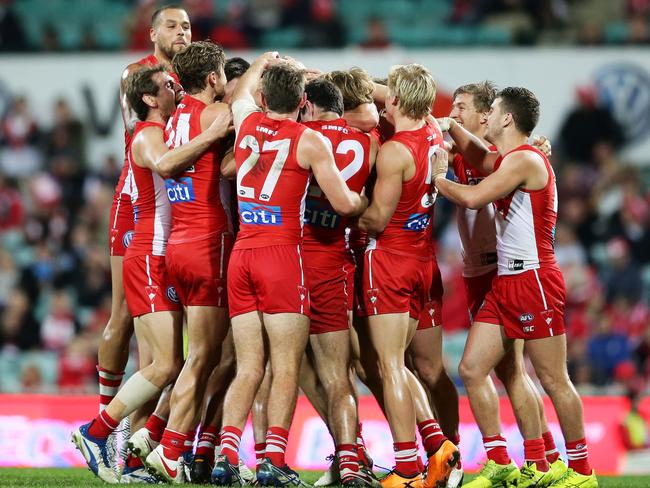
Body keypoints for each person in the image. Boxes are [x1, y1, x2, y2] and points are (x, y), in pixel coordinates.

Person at [211, 53, 367, 486]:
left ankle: (227, 455)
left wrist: (263, 61)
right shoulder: (309, 140)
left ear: (263, 96)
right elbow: (342, 203)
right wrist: (363, 203)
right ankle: (273, 462)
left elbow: (240, 93)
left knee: (247, 367)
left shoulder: (245, 122)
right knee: (284, 366)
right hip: (283, 256)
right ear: (302, 101)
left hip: (242, 254)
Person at [71, 65, 231, 484]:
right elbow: (165, 165)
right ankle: (97, 431)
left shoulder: (173, 125)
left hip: (167, 252)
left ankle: (139, 451)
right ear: (147, 98)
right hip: (149, 254)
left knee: (173, 362)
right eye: (165, 85)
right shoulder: (147, 135)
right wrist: (212, 135)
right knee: (164, 364)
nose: (174, 88)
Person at [434, 87, 598, 488]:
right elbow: (478, 156)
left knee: (553, 378)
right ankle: (514, 462)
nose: (485, 116)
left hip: (534, 279)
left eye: (490, 111)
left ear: (507, 119)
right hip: (507, 281)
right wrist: (451, 124)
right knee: (472, 368)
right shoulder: (510, 158)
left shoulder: (525, 159)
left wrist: (440, 178)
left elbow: (473, 198)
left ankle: (581, 470)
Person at [98, 6, 191, 479]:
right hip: (138, 200)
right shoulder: (141, 76)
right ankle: (108, 425)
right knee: (124, 316)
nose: (182, 32)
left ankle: (140, 437)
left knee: (166, 337)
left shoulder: (194, 78)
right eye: (173, 25)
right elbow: (149, 138)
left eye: (187, 26)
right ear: (152, 32)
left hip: (180, 209)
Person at [356, 64, 459, 488]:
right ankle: (448, 450)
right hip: (424, 262)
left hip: (391, 262)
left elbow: (377, 219)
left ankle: (407, 467)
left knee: (389, 366)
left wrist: (342, 208)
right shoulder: (435, 132)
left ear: (394, 100)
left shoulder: (396, 151)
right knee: (430, 368)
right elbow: (394, 95)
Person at [142, 41, 234, 483]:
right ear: (215, 78)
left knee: (197, 355)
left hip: (177, 242)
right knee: (204, 357)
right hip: (209, 241)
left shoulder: (174, 117)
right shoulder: (216, 117)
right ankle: (171, 449)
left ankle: (159, 438)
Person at [300, 77, 378, 486]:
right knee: (338, 371)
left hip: (292, 257)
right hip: (336, 259)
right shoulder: (370, 141)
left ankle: (264, 455)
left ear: (307, 105)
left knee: (287, 367)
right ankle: (350, 457)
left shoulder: (300, 136)